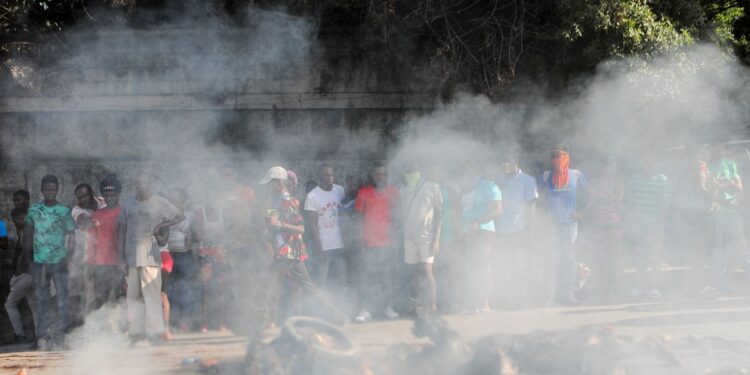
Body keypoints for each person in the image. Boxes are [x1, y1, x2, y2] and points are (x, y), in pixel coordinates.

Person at [259, 166, 345, 326]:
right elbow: (269, 222)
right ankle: (336, 314)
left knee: (268, 283)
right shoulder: (274, 200)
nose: (267, 187)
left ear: (279, 183)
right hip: (285, 251)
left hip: (289, 250)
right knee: (309, 286)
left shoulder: (287, 201)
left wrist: (279, 224)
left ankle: (263, 320)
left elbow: (300, 227)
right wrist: (268, 227)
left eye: (270, 183)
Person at [118, 172, 184, 343]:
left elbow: (180, 216)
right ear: (135, 185)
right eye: (139, 183)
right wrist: (120, 258)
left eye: (146, 183)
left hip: (151, 257)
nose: (142, 186)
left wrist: (163, 224)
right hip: (131, 257)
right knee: (133, 296)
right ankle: (136, 333)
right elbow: (121, 231)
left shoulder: (159, 202)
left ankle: (155, 333)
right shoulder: (128, 204)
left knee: (152, 296)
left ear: (150, 185)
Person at [24, 175, 76, 349]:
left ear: (57, 190)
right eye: (47, 189)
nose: (50, 192)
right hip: (39, 263)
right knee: (41, 299)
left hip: (59, 262)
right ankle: (42, 337)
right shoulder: (34, 211)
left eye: (53, 189)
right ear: (41, 190)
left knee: (62, 299)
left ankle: (63, 335)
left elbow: (72, 237)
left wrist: (67, 259)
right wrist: (29, 260)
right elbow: (28, 236)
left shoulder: (64, 211)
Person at [540, 146, 591, 305]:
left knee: (569, 259)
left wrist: (582, 212)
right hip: (552, 224)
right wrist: (544, 215)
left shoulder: (576, 175)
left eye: (561, 156)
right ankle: (550, 295)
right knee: (551, 258)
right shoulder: (546, 176)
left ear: (568, 157)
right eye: (555, 156)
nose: (558, 159)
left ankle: (569, 293)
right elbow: (537, 196)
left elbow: (591, 194)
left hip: (570, 224)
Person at [353, 163, 400, 322]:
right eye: (377, 174)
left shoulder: (393, 192)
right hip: (368, 243)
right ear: (372, 176)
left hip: (387, 242)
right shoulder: (364, 192)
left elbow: (397, 216)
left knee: (386, 278)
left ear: (386, 176)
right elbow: (358, 218)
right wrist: (360, 238)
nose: (380, 177)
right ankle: (365, 309)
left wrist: (395, 237)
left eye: (383, 174)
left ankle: (387, 307)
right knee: (367, 278)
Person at [494, 156, 538, 308]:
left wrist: (530, 232)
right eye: (502, 165)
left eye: (506, 164)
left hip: (518, 228)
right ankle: (506, 299)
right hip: (501, 228)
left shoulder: (527, 180)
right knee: (504, 263)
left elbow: (531, 207)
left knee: (519, 263)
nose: (503, 167)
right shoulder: (501, 180)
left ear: (514, 163)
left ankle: (521, 300)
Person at [624, 154, 669, 298]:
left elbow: (664, 204)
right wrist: (632, 221)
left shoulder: (661, 180)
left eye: (651, 160)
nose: (648, 163)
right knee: (640, 255)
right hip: (639, 223)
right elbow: (630, 203)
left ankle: (655, 286)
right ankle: (639, 286)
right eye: (645, 160)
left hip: (655, 223)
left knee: (655, 255)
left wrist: (659, 223)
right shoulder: (634, 180)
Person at [459, 164, 502, 312]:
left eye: (471, 169)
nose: (469, 172)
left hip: (483, 231)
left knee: (483, 266)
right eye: (467, 170)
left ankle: (485, 303)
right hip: (468, 232)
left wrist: (478, 221)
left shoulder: (490, 186)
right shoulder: (466, 187)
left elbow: (497, 211)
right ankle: (473, 302)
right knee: (472, 267)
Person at [401, 163, 442, 312]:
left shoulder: (433, 187)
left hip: (427, 237)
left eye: (413, 172)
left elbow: (439, 215)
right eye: (408, 173)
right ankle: (419, 304)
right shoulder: (403, 190)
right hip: (409, 237)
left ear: (420, 172)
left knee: (426, 270)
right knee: (416, 271)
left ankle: (432, 306)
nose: (410, 175)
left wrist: (437, 239)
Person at [705, 144, 746, 293]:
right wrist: (728, 185)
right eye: (716, 147)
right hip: (715, 212)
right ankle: (718, 283)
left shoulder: (730, 164)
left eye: (722, 148)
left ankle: (735, 281)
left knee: (738, 246)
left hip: (732, 210)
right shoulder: (706, 166)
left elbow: (739, 186)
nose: (720, 150)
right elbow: (708, 188)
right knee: (717, 249)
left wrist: (721, 185)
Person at [304, 164, 347, 289]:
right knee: (321, 280)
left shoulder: (339, 190)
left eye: (331, 175)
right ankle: (317, 306)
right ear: (320, 177)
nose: (330, 178)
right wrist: (318, 247)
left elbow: (343, 215)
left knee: (341, 279)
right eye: (326, 175)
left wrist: (345, 239)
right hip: (324, 246)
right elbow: (312, 225)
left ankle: (342, 303)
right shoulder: (312, 196)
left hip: (339, 244)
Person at [86, 175, 125, 313]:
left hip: (120, 264)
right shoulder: (97, 215)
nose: (109, 197)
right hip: (101, 264)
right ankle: (99, 330)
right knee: (100, 299)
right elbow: (91, 241)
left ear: (118, 194)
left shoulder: (125, 212)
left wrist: (126, 262)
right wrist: (90, 263)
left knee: (122, 299)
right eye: (106, 194)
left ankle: (124, 331)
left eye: (112, 193)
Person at [194, 191, 229, 332]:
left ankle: (220, 323)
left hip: (220, 254)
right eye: (210, 198)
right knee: (205, 290)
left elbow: (228, 231)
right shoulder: (200, 213)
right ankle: (205, 323)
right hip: (205, 255)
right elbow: (197, 233)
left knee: (220, 289)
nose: (212, 202)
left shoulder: (223, 213)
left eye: (215, 198)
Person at [71, 183, 106, 327]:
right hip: (89, 257)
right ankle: (91, 328)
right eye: (79, 197)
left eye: (85, 196)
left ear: (91, 193)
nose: (83, 199)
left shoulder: (102, 201)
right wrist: (93, 221)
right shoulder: (77, 209)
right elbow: (82, 220)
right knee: (91, 294)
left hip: (107, 255)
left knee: (109, 293)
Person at [164, 188, 196, 331]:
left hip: (184, 255)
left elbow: (194, 234)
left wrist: (190, 240)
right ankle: (172, 321)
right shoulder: (164, 215)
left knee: (185, 288)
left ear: (182, 200)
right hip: (167, 255)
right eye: (171, 199)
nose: (173, 202)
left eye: (176, 199)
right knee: (169, 288)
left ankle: (185, 321)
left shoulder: (190, 215)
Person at [4, 207, 35, 344]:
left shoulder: (28, 231)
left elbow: (28, 252)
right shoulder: (25, 231)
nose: (19, 221)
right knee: (34, 305)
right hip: (32, 273)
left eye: (21, 219)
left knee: (10, 303)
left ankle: (19, 334)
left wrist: (20, 269)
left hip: (27, 273)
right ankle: (39, 335)